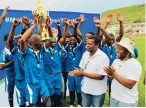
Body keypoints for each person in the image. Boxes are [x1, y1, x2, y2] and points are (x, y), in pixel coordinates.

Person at [18, 12, 51, 107]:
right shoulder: (26, 52)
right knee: (33, 105)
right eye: (40, 41)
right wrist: (34, 24)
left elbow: (51, 40)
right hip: (31, 83)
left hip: (42, 81)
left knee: (48, 103)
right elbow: (22, 40)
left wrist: (46, 27)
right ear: (34, 42)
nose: (42, 42)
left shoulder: (41, 51)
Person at [70, 36, 109, 107]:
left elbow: (101, 76)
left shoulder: (103, 57)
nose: (86, 46)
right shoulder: (85, 54)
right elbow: (82, 68)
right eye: (86, 43)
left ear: (97, 45)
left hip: (97, 92)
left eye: (89, 44)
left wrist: (82, 73)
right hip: (85, 89)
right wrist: (77, 72)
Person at [93, 13, 124, 100]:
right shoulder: (103, 46)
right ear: (106, 40)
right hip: (103, 71)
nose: (112, 41)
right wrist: (104, 25)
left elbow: (121, 35)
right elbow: (100, 36)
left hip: (114, 71)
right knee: (100, 89)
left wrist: (121, 23)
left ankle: (112, 102)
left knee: (113, 89)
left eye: (113, 40)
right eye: (109, 39)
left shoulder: (115, 46)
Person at [104, 38, 142, 107]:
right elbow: (112, 78)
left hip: (127, 101)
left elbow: (130, 84)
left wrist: (114, 74)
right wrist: (108, 73)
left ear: (128, 52)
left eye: (120, 49)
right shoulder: (116, 61)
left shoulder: (135, 64)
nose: (116, 51)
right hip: (114, 97)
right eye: (117, 48)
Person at [0, 34, 15, 107]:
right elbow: (1, 67)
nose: (12, 41)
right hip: (10, 75)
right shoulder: (4, 52)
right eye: (10, 39)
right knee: (10, 92)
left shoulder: (15, 49)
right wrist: (11, 62)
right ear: (6, 41)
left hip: (19, 74)